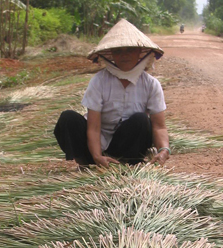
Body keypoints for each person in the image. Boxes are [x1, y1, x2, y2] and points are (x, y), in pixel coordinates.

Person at [54, 19, 170, 168]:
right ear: (111, 55)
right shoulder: (99, 81)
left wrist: (164, 149)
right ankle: (85, 161)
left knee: (141, 120)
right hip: (96, 143)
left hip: (127, 145)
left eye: (129, 50)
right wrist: (97, 156)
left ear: (140, 52)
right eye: (118, 51)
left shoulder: (151, 84)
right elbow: (94, 127)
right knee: (67, 118)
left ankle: (129, 163)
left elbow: (159, 126)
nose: (124, 55)